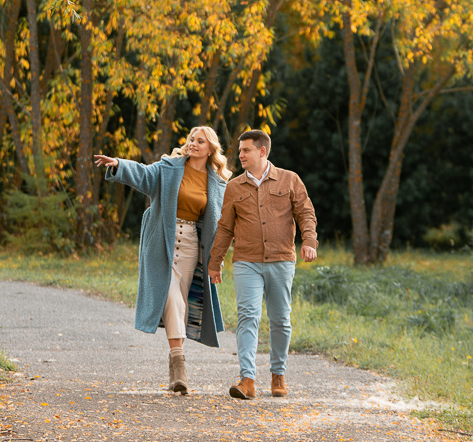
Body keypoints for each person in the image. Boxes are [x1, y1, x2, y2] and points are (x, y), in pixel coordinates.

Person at [93, 126, 231, 394]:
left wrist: (218, 259)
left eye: (200, 141)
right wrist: (119, 165)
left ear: (210, 148)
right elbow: (144, 174)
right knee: (172, 297)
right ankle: (179, 364)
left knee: (181, 303)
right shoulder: (169, 168)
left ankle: (175, 365)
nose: (193, 144)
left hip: (192, 245)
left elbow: (221, 225)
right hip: (163, 242)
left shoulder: (218, 183)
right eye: (191, 139)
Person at [208, 128, 317, 400]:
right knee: (248, 316)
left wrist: (309, 241)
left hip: (281, 260)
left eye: (245, 150)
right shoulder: (233, 187)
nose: (240, 155)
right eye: (240, 150)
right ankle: (247, 379)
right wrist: (215, 261)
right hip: (246, 261)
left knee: (280, 319)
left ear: (262, 151)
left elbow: (306, 212)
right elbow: (224, 228)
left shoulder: (290, 180)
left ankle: (278, 374)